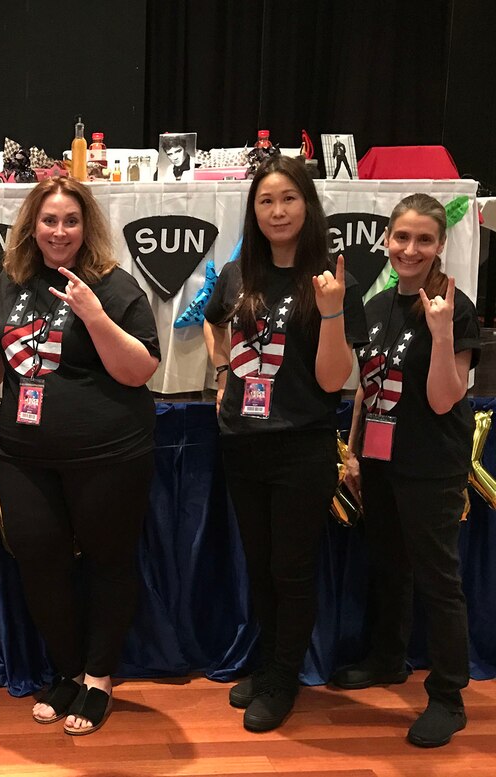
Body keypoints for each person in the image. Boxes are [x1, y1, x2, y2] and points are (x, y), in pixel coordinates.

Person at [0, 176, 160, 735]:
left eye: (71, 221)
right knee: (38, 559)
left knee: (109, 561)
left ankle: (100, 677)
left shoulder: (112, 285)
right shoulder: (9, 283)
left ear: (87, 228)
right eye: (49, 220)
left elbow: (139, 370)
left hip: (109, 454)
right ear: (31, 225)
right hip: (23, 455)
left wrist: (94, 315)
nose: (59, 231)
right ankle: (65, 669)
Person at [202, 155, 368, 732]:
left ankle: (283, 678)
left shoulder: (330, 278)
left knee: (291, 569)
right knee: (259, 563)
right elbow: (214, 320)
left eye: (289, 199)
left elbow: (331, 381)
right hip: (242, 441)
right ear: (253, 209)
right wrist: (223, 373)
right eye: (266, 200)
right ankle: (271, 661)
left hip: (302, 444)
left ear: (308, 206)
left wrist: (330, 313)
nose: (277, 211)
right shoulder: (238, 272)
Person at [337, 193, 479, 748]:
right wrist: (352, 451)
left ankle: (448, 695)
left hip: (430, 465)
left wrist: (442, 334)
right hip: (378, 460)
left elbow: (446, 399)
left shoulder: (453, 304)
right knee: (388, 565)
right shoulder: (375, 310)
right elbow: (364, 390)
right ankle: (387, 659)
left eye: (424, 239)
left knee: (438, 580)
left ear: (441, 245)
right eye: (401, 238)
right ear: (387, 241)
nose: (410, 249)